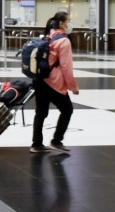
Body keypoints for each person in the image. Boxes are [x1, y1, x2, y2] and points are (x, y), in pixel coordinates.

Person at [30, 10, 80, 154]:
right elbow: (66, 67)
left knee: (40, 113)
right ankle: (56, 141)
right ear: (61, 24)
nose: (70, 24)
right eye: (68, 21)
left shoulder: (48, 36)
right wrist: (73, 87)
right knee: (67, 110)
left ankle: (36, 144)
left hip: (40, 79)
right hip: (53, 82)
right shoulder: (64, 41)